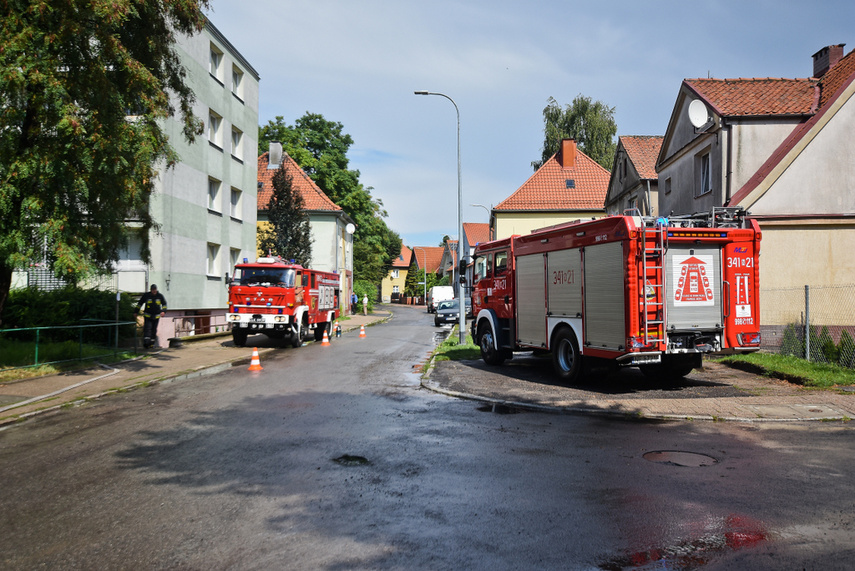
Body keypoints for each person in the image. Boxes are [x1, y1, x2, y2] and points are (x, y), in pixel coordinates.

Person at [137, 284, 167, 348]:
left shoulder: (160, 296)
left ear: (156, 289)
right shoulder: (146, 296)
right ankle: (146, 343)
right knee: (147, 329)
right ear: (151, 290)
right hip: (148, 316)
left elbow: (164, 304)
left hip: (156, 317)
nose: (154, 291)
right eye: (153, 290)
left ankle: (152, 343)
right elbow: (140, 303)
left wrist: (163, 311)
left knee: (154, 330)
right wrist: (135, 312)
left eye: (155, 289)